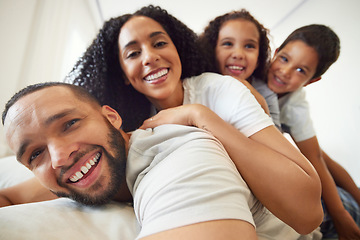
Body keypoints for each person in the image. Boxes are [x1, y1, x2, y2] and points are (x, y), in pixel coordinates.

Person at [65, 5, 323, 233]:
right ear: (122, 74)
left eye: (159, 43)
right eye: (133, 53)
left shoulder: (221, 90)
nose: (150, 57)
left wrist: (198, 115)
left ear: (177, 48)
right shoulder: (133, 126)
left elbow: (309, 215)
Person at [2, 82, 303, 239]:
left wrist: (200, 114)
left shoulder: (181, 156)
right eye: (35, 154)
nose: (58, 157)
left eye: (69, 124)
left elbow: (307, 209)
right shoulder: (77, 169)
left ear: (112, 117)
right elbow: (8, 196)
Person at [266, 24, 360, 239]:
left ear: (312, 81)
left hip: (288, 143)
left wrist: (340, 214)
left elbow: (316, 158)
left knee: (316, 154)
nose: (285, 71)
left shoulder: (294, 104)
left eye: (301, 70)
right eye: (284, 59)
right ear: (276, 51)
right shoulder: (254, 70)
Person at [198, 9, 281, 129]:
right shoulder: (197, 85)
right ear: (212, 50)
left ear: (259, 58)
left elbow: (278, 143)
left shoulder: (265, 93)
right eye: (227, 44)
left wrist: (261, 104)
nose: (238, 54)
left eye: (249, 46)